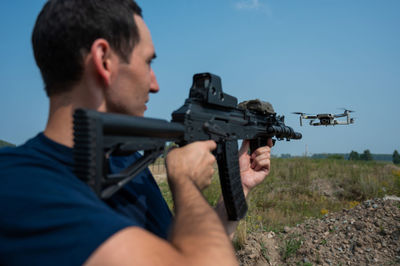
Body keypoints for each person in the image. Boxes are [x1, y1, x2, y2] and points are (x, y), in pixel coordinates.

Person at [0, 0, 273, 265]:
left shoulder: (125, 165)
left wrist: (239, 187)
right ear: (104, 60)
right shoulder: (20, 184)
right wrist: (187, 186)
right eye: (147, 62)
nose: (154, 84)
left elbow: (192, 252)